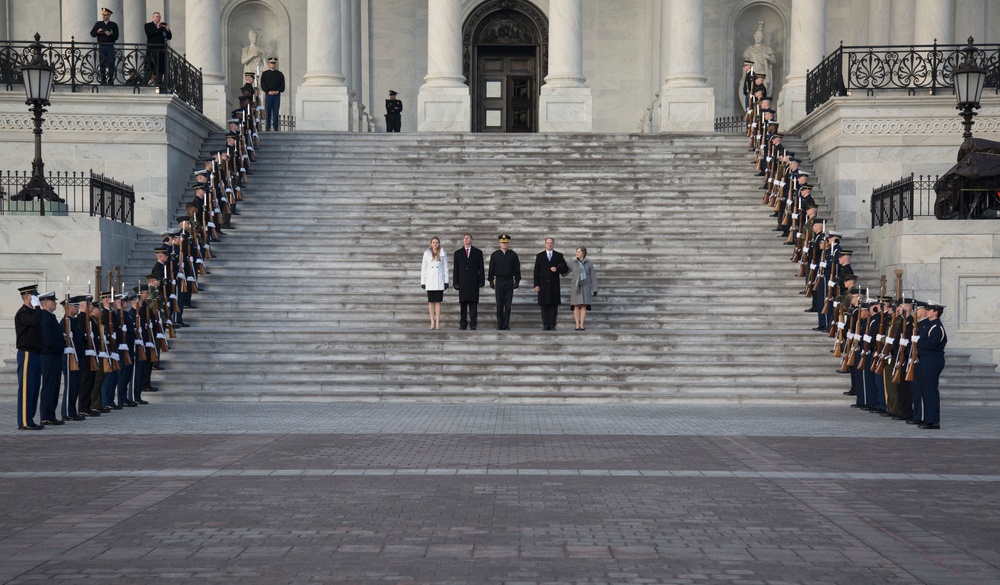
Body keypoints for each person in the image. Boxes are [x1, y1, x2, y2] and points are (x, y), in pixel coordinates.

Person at [15, 285, 45, 430]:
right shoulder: (23, 313)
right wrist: (38, 307)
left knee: (33, 388)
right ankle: (24, 422)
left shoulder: (33, 313)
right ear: (28, 297)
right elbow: (34, 321)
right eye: (35, 296)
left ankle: (30, 419)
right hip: (26, 353)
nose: (37, 299)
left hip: (35, 354)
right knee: (26, 388)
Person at [914, 301, 947, 429]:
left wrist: (918, 341)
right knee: (924, 389)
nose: (926, 311)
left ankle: (933, 421)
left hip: (932, 359)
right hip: (925, 359)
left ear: (936, 312)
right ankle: (926, 418)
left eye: (929, 310)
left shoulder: (937, 327)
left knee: (930, 390)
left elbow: (932, 345)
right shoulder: (929, 325)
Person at [37, 291, 66, 426]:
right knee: (49, 386)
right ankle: (46, 416)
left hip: (55, 355)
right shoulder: (44, 317)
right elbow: (48, 340)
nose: (55, 303)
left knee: (54, 386)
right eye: (53, 301)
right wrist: (61, 347)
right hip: (48, 355)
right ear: (45, 303)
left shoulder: (50, 317)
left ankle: (51, 415)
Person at [532, 238, 569, 330]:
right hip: (543, 284)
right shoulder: (540, 256)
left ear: (553, 244)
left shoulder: (558, 255)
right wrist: (536, 285)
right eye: (548, 243)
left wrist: (557, 269)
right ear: (545, 244)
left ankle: (552, 324)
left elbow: (565, 268)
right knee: (544, 305)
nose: (549, 244)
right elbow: (536, 271)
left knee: (553, 305)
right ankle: (545, 324)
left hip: (554, 285)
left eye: (551, 243)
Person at [488, 234, 520, 330]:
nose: (504, 244)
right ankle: (499, 324)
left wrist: (517, 280)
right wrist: (490, 280)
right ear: (500, 243)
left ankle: (506, 324)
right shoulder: (495, 254)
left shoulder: (513, 254)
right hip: (499, 280)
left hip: (509, 280)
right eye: (502, 242)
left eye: (506, 242)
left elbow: (517, 268)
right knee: (499, 304)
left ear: (508, 243)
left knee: (508, 304)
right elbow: (491, 268)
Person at [453, 234, 485, 330]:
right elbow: (456, 269)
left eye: (468, 238)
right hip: (462, 282)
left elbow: (481, 268)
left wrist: (481, 280)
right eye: (464, 238)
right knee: (463, 303)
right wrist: (455, 282)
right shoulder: (458, 253)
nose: (466, 239)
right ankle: (463, 323)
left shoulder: (478, 252)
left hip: (473, 282)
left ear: (471, 240)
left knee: (473, 303)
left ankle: (473, 323)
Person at [566, 247, 598, 331]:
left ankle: (582, 324)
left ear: (583, 253)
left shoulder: (589, 263)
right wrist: (559, 268)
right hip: (576, 287)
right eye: (576, 252)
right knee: (576, 305)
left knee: (584, 306)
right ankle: (577, 324)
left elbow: (593, 276)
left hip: (585, 286)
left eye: (579, 252)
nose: (577, 253)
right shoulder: (572, 263)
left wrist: (594, 289)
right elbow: (565, 273)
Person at [420, 237, 449, 330]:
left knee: (438, 302)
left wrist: (446, 281)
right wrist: (423, 281)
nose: (435, 244)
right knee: (431, 302)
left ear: (439, 243)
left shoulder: (443, 253)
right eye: (433, 242)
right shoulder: (426, 254)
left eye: (436, 242)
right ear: (430, 244)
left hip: (439, 280)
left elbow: (446, 268)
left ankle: (437, 322)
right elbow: (423, 268)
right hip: (430, 281)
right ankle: (432, 322)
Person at [91, 7, 120, 85]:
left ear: (109, 15)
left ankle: (111, 80)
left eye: (106, 15)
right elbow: (92, 34)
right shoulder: (98, 24)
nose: (104, 17)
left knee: (111, 63)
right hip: (102, 46)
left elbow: (116, 36)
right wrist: (98, 31)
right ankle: (103, 80)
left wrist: (110, 34)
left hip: (110, 46)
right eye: (103, 15)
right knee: (102, 63)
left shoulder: (113, 25)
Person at [143, 11, 171, 86]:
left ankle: (159, 84)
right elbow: (149, 33)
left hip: (161, 51)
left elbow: (169, 37)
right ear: (153, 17)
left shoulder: (162, 28)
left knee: (160, 68)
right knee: (149, 67)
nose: (158, 18)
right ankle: (145, 83)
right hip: (151, 51)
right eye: (157, 17)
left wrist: (167, 29)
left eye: (159, 17)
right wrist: (157, 28)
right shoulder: (148, 25)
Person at [260, 57, 285, 131]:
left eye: (274, 63)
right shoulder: (265, 74)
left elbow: (282, 85)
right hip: (268, 94)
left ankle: (276, 127)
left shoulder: (280, 74)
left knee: (276, 110)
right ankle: (267, 127)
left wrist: (277, 91)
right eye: (271, 63)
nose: (273, 65)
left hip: (277, 95)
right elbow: (263, 84)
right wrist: (268, 91)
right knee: (268, 111)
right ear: (269, 64)